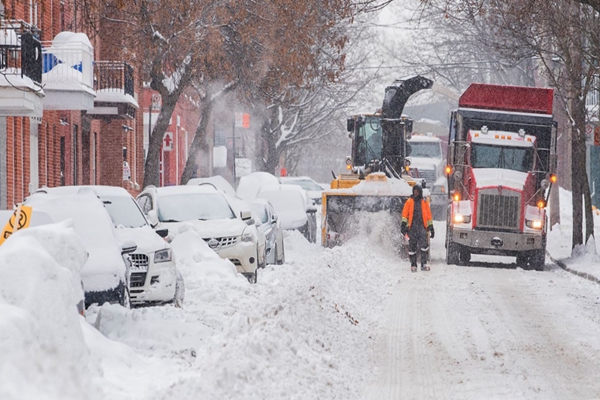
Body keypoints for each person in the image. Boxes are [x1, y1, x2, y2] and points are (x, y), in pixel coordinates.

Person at [401, 185, 434, 272]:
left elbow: (428, 216)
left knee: (424, 246)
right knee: (412, 247)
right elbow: (405, 215)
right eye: (414, 191)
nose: (415, 193)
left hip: (422, 227)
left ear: (420, 192)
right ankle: (413, 265)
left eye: (417, 191)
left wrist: (431, 227)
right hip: (412, 227)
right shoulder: (409, 202)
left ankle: (423, 264)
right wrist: (403, 226)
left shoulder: (424, 202)